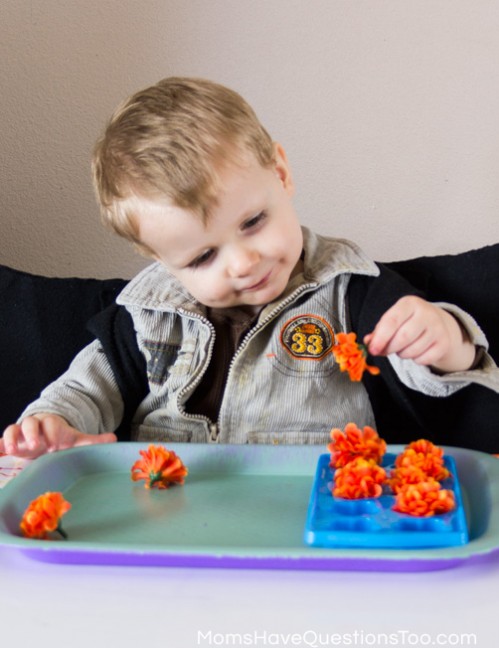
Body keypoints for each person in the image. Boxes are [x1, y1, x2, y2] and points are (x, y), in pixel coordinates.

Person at [1, 77, 497, 459]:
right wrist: (51, 424)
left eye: (253, 221)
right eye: (202, 257)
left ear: (280, 173)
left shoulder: (351, 290)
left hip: (311, 511)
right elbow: (88, 387)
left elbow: (428, 383)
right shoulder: (142, 315)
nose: (243, 262)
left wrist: (446, 343)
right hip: (166, 511)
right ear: (161, 259)